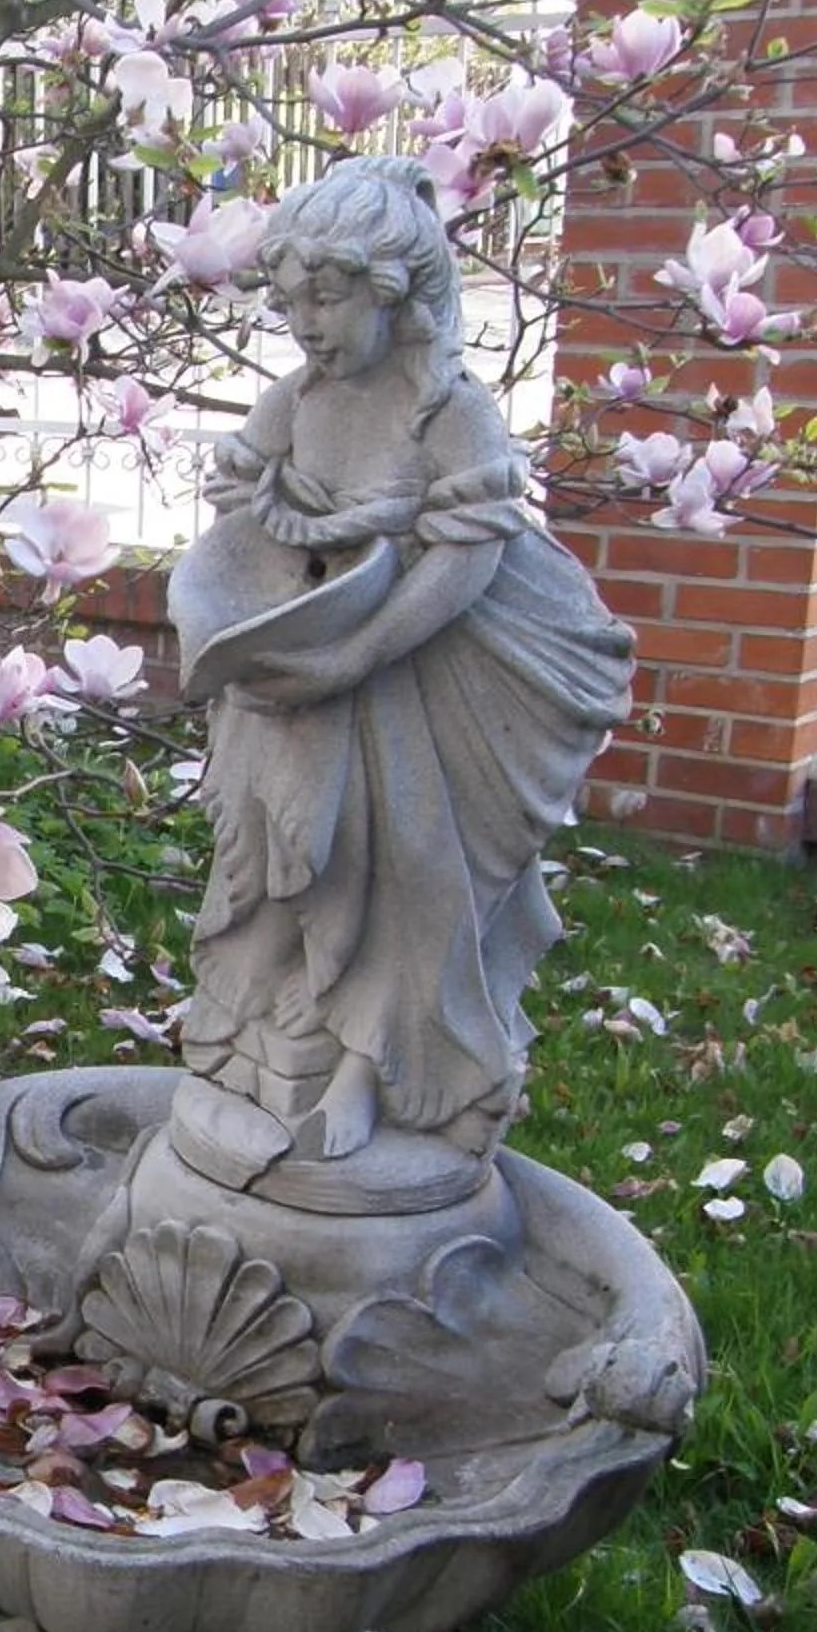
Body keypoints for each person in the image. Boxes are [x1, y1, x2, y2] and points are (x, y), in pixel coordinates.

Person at [174, 157, 632, 1163]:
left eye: (327, 299)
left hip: (419, 667)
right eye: (292, 304)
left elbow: (470, 553)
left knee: (404, 871)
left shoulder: (445, 409)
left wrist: (360, 654)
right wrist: (249, 607)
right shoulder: (296, 401)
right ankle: (271, 1040)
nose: (308, 326)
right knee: (279, 854)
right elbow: (238, 519)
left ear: (393, 289)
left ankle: (373, 1069)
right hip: (300, 656)